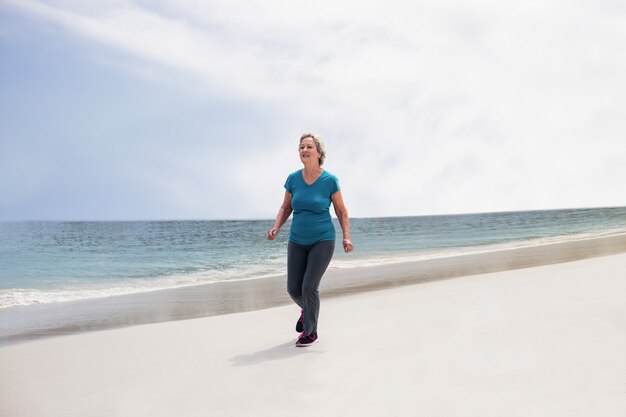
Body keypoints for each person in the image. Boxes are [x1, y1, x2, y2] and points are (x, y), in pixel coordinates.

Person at [267, 133, 353, 347]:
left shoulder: (329, 181)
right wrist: (277, 226)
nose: (304, 150)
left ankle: (310, 332)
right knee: (293, 289)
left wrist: (346, 238)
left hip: (322, 240)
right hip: (297, 240)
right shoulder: (293, 179)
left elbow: (342, 211)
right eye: (301, 147)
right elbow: (286, 207)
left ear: (319, 152)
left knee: (308, 287)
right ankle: (307, 310)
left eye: (309, 147)